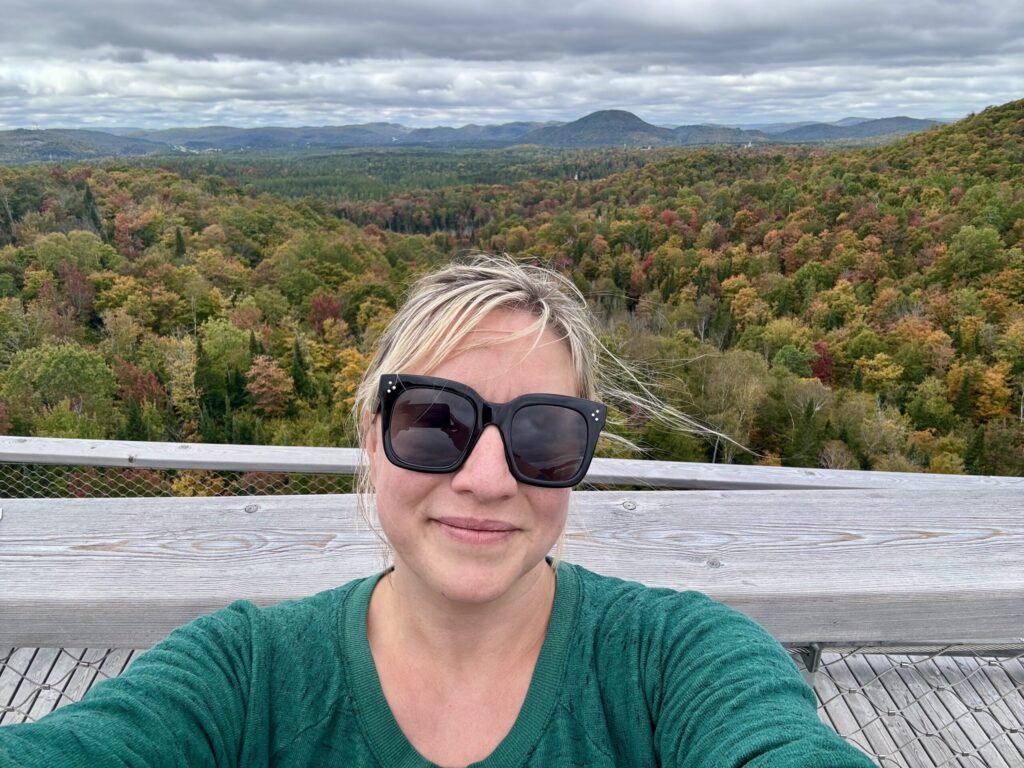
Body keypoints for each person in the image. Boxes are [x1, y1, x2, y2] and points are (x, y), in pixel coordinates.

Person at [0, 255, 874, 767]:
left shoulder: (674, 664)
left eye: (543, 435)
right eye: (436, 422)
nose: (489, 478)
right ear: (372, 439)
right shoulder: (245, 680)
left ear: (580, 460)